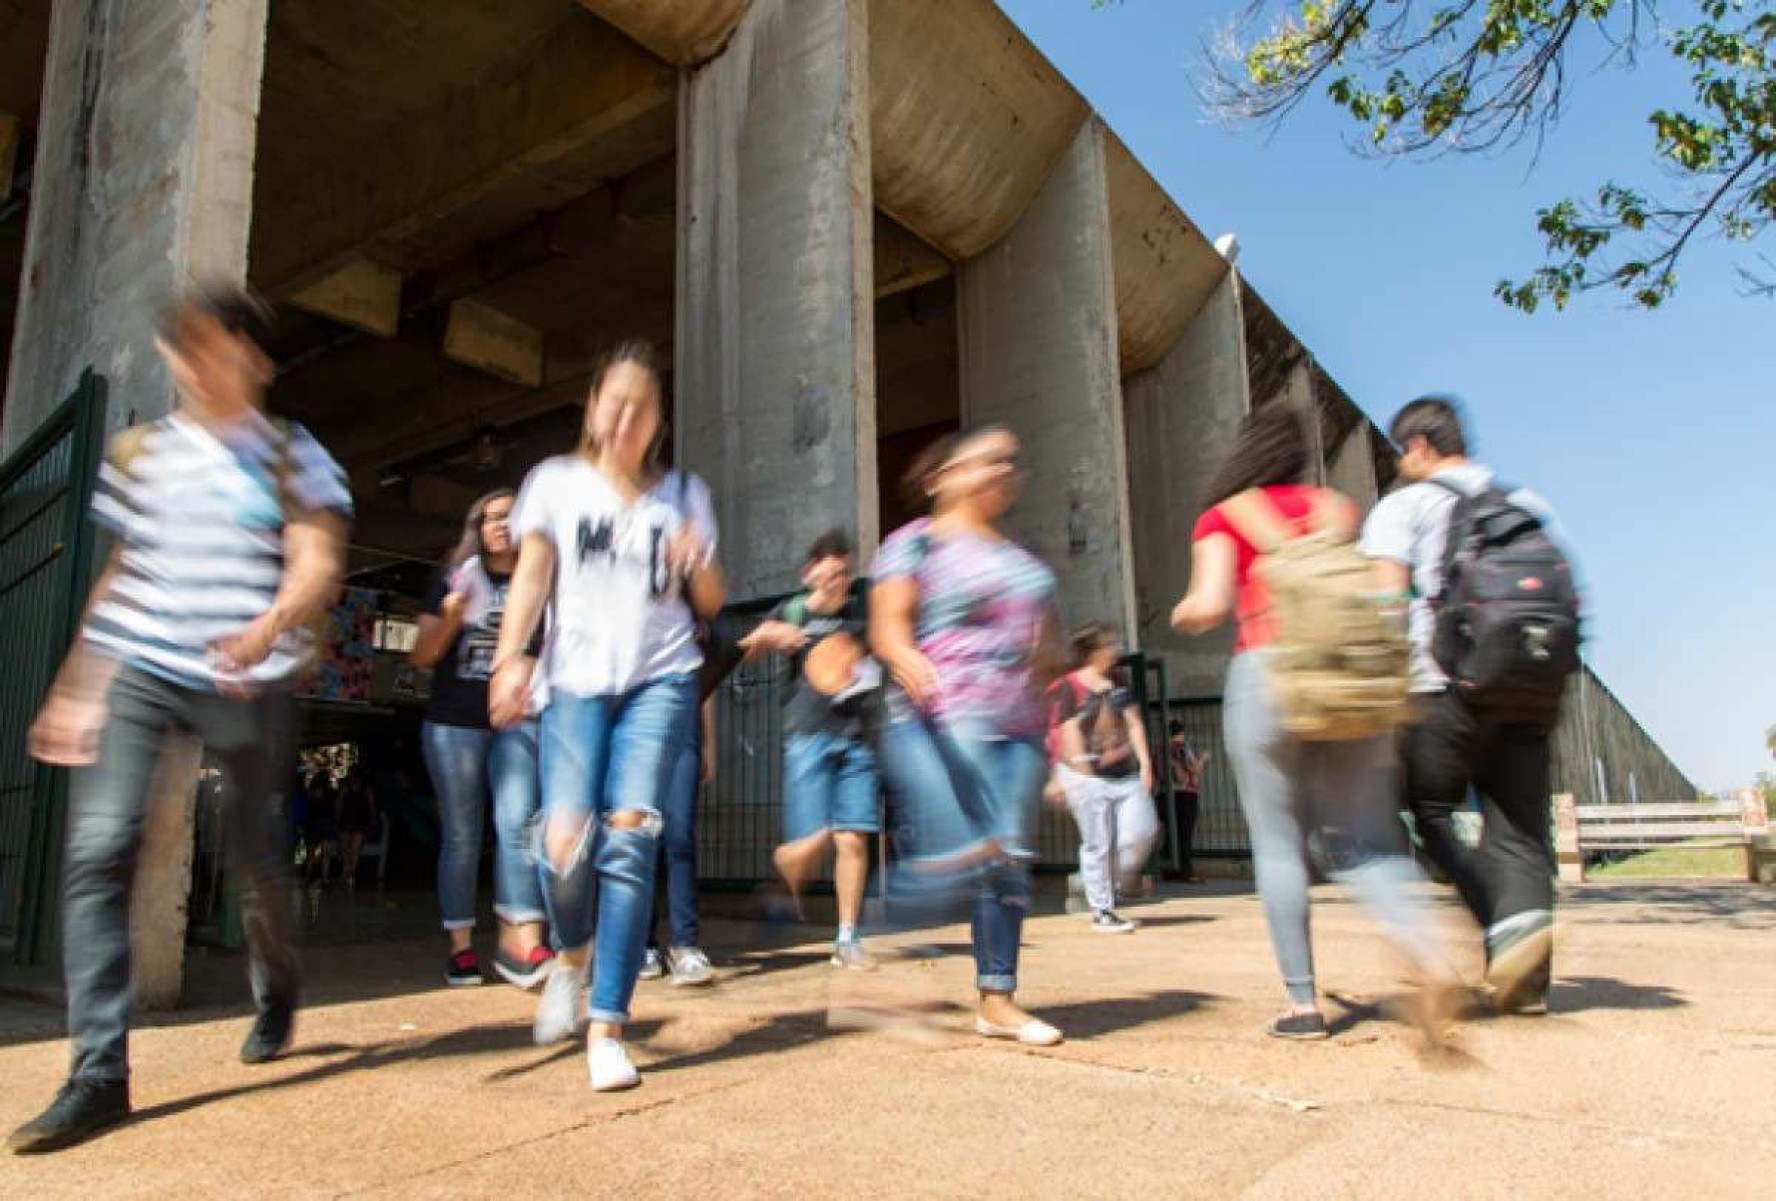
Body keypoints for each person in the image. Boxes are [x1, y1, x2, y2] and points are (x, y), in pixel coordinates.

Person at [9, 286, 350, 1154]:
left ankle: (275, 986)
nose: (194, 363)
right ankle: (97, 1073)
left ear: (256, 358)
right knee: (97, 848)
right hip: (144, 668)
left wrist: (271, 625)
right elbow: (122, 572)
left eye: (213, 346)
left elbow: (316, 564)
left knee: (253, 858)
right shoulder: (137, 453)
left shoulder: (290, 454)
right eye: (182, 348)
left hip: (248, 674)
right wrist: (78, 680)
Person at [1171, 402, 1455, 1042]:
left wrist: (1185, 611)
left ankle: (1303, 1006)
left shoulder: (1226, 514)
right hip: (1346, 677)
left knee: (1278, 846)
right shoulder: (1337, 508)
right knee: (1369, 839)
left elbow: (1209, 604)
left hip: (1267, 673)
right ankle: (1430, 960)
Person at [489, 338, 724, 1092]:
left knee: (631, 836)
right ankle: (569, 953)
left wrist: (697, 562)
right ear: (592, 407)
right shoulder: (554, 484)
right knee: (563, 844)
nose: (626, 418)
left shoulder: (684, 495)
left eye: (642, 407)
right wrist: (508, 658)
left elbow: (713, 604)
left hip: (661, 679)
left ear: (659, 419)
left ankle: (608, 1024)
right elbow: (530, 578)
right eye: (613, 403)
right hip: (575, 684)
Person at [1360, 395, 1564, 1014]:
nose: (1400, 463)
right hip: (1531, 685)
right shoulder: (1525, 503)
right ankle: (1525, 980)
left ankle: (1507, 930)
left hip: (1444, 684)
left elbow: (1387, 605)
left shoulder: (1405, 506)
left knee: (1425, 806)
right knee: (1521, 829)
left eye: (1402, 452)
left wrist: (1380, 686)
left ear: (1420, 446)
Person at [870, 425, 1067, 1047]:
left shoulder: (1024, 560)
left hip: (1019, 729)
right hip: (941, 721)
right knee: (958, 856)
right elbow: (888, 627)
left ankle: (998, 998)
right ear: (940, 478)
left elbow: (1049, 653)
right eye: (983, 461)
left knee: (1007, 862)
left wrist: (1057, 736)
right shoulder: (913, 545)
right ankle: (868, 956)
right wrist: (904, 658)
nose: (999, 470)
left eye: (1008, 461)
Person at [411, 489, 554, 990]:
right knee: (462, 834)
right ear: (478, 526)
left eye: (511, 517)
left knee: (518, 823)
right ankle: (462, 951)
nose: (502, 525)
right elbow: (421, 656)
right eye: (491, 517)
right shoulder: (454, 577)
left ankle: (523, 943)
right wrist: (452, 614)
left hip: (518, 718)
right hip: (455, 723)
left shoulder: (540, 582)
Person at [743, 529, 883, 970]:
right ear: (809, 574)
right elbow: (743, 652)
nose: (836, 582)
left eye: (843, 573)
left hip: (856, 737)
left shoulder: (863, 610)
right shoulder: (793, 611)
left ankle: (846, 938)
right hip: (808, 736)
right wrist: (767, 635)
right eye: (828, 574)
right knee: (808, 843)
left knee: (853, 837)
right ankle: (782, 891)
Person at [1049, 623, 1160, 934]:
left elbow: (1135, 724)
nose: (1116, 649)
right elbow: (1062, 732)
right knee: (1097, 843)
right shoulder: (1068, 686)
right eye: (1110, 644)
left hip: (1124, 775)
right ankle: (1102, 910)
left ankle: (1112, 883)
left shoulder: (1120, 682)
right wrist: (1067, 773)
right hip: (1084, 775)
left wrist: (1146, 764)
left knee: (1140, 832)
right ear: (1092, 651)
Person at [638, 698, 718, 988]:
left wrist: (708, 742)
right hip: (638, 727)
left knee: (680, 833)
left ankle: (685, 945)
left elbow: (706, 684)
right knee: (644, 835)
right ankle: (644, 945)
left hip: (684, 726)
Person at [1166, 720, 1209, 883]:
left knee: (1173, 834)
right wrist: (1203, 759)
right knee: (1185, 834)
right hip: (1185, 794)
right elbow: (1193, 769)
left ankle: (1170, 870)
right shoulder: (1181, 748)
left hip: (1166, 794)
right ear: (1182, 732)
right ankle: (1185, 871)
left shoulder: (1160, 748)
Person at [337, 769, 378, 886]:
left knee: (355, 848)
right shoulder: (346, 789)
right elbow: (339, 803)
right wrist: (338, 816)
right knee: (345, 846)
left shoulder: (367, 789)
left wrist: (373, 819)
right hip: (347, 821)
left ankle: (351, 872)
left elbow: (371, 806)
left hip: (361, 822)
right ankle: (345, 869)